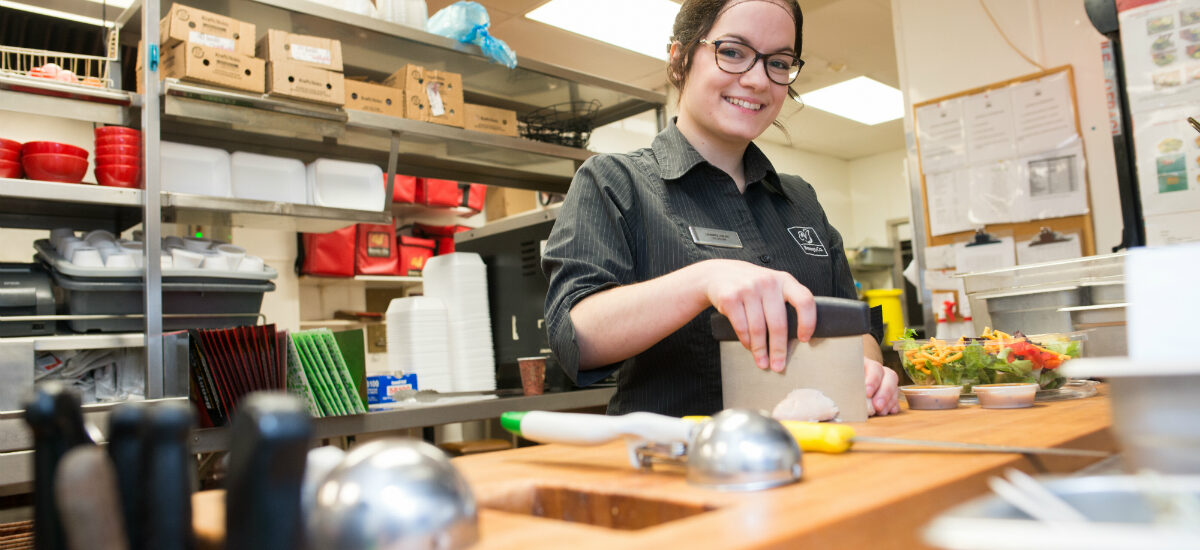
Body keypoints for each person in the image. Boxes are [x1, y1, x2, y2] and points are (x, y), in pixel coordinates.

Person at [541, 0, 900, 417]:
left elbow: (855, 327)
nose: (757, 80)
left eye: (779, 63)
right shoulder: (614, 182)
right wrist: (703, 280)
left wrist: (870, 369)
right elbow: (576, 338)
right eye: (732, 52)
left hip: (816, 459)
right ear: (679, 60)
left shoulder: (801, 200)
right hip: (677, 465)